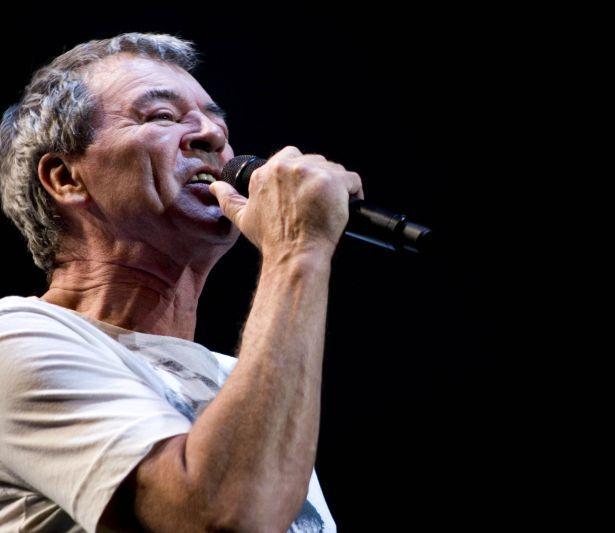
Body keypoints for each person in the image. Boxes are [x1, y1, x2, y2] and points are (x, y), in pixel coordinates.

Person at [0, 33, 362, 532]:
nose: (211, 135)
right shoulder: (16, 338)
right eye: (163, 116)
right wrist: (297, 250)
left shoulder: (237, 377)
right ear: (65, 178)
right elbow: (222, 517)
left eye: (217, 122)